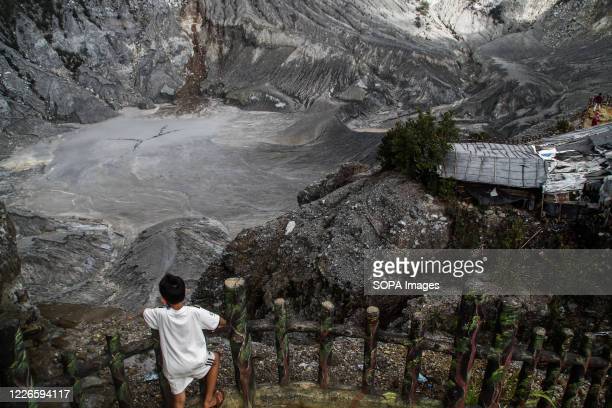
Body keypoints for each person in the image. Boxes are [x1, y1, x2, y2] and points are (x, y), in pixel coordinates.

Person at [142, 274, 226, 408]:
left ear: (163, 300)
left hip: (173, 368)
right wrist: (217, 326)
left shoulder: (159, 314)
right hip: (196, 362)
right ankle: (209, 401)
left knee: (179, 401)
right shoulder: (195, 312)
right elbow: (221, 322)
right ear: (185, 292)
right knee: (215, 358)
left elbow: (144, 313)